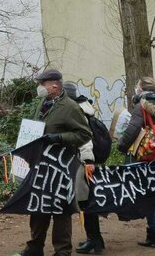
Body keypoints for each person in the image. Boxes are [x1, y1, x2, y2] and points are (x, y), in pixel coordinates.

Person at [17, 70, 92, 256]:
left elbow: (84, 134)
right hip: (40, 166)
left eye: (42, 83)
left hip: (61, 167)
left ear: (55, 86)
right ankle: (35, 246)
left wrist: (58, 137)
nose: (39, 87)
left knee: (61, 209)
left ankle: (62, 250)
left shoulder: (70, 107)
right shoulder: (43, 103)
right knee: (38, 206)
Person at [117, 77, 155, 248]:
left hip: (147, 155)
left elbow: (133, 129)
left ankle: (154, 234)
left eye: (137, 86)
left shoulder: (142, 106)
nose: (136, 88)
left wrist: (121, 146)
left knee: (148, 194)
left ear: (141, 89)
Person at [63, 82, 106, 255]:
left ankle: (94, 240)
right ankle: (96, 240)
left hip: (82, 162)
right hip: (85, 161)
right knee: (87, 201)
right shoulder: (85, 107)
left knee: (84, 202)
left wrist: (87, 160)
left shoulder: (76, 111)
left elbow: (84, 138)